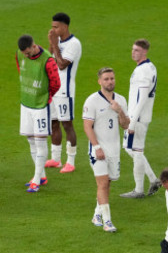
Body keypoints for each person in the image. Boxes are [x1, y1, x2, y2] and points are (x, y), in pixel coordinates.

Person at [83, 67, 129, 232]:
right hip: (98, 151)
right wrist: (96, 147)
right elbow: (87, 127)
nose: (110, 81)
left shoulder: (121, 100)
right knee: (102, 184)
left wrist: (119, 111)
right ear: (100, 81)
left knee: (107, 183)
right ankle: (107, 222)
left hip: (114, 150)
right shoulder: (92, 101)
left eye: (112, 78)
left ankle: (97, 214)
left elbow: (126, 125)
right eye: (106, 79)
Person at [16, 34, 61, 192]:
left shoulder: (48, 61)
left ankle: (36, 180)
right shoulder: (19, 55)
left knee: (40, 141)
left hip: (41, 106)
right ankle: (41, 175)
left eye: (28, 53)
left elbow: (56, 83)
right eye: (24, 54)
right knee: (31, 140)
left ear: (34, 46)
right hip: (26, 104)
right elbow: (21, 71)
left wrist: (44, 96)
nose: (26, 56)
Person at [120, 39, 161, 199]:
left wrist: (132, 121)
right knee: (130, 148)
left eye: (136, 50)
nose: (133, 52)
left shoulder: (143, 71)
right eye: (133, 49)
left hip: (138, 117)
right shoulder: (149, 67)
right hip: (140, 116)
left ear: (145, 52)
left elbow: (142, 98)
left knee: (135, 150)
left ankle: (138, 190)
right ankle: (153, 179)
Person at [44, 12, 82, 173]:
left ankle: (71, 162)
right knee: (54, 123)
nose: (53, 29)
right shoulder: (57, 41)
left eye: (56, 27)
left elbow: (61, 65)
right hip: (52, 90)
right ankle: (56, 159)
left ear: (65, 27)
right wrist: (52, 44)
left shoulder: (74, 44)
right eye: (52, 26)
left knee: (67, 124)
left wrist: (55, 45)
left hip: (65, 90)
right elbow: (48, 59)